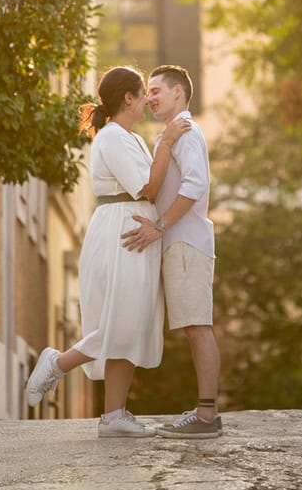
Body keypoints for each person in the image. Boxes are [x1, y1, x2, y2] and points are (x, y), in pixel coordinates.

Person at [25, 65, 190, 438]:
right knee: (120, 321)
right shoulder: (113, 137)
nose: (148, 100)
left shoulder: (130, 138)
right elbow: (146, 187)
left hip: (135, 231)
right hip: (120, 231)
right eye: (142, 93)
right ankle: (57, 363)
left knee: (132, 323)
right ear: (127, 98)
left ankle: (113, 415)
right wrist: (166, 143)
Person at [122, 65, 222, 439]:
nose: (149, 98)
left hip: (184, 243)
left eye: (156, 90)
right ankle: (206, 412)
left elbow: (196, 185)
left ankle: (207, 416)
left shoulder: (186, 131)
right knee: (194, 327)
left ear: (179, 92)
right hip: (178, 245)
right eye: (147, 91)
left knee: (198, 328)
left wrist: (159, 226)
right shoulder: (172, 134)